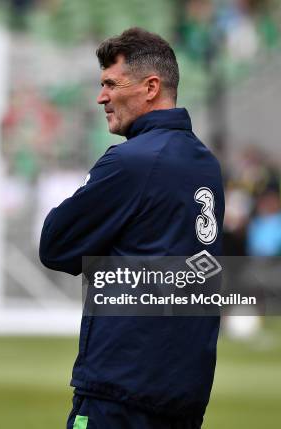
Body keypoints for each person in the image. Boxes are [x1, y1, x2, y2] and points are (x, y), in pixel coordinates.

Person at [39, 28, 224, 428]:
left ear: (150, 87)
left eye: (110, 84)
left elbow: (54, 246)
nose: (101, 97)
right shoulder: (206, 164)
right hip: (184, 393)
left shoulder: (131, 162)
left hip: (121, 392)